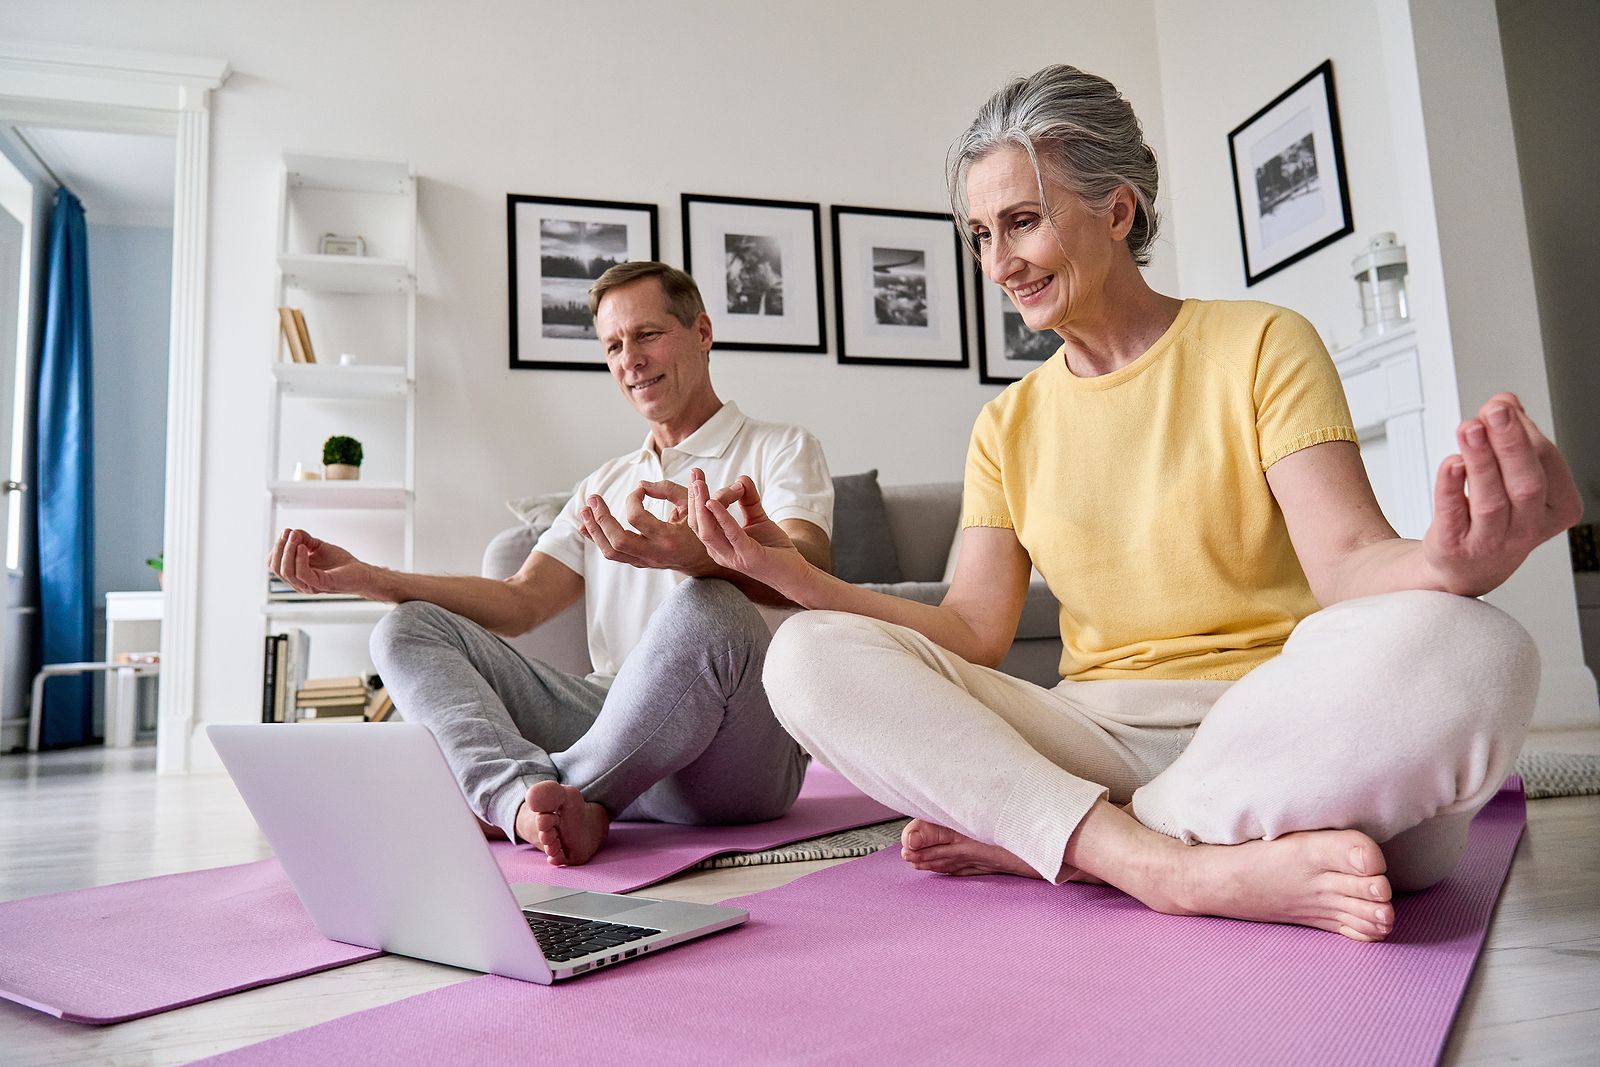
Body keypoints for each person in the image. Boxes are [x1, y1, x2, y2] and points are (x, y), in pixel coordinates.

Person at [686, 65, 1581, 941]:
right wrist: (792, 577)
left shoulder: (1263, 343)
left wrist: (1449, 564)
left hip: (1280, 723)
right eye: (980, 235)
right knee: (804, 656)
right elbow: (970, 631)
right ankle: (1162, 865)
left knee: (1480, 648)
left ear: (1117, 210)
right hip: (1097, 732)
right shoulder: (1007, 424)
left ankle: (1067, 837)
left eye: (1022, 222)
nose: (998, 262)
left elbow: (1349, 564)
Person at [269, 261, 833, 867]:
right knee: (406, 627)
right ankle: (521, 803)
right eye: (613, 346)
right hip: (615, 727)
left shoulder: (780, 447)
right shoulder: (604, 483)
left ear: (701, 332)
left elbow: (810, 567)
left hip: (737, 755)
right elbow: (520, 602)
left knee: (710, 604)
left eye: (647, 335)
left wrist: (703, 559)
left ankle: (552, 791)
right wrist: (372, 578)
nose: (630, 360)